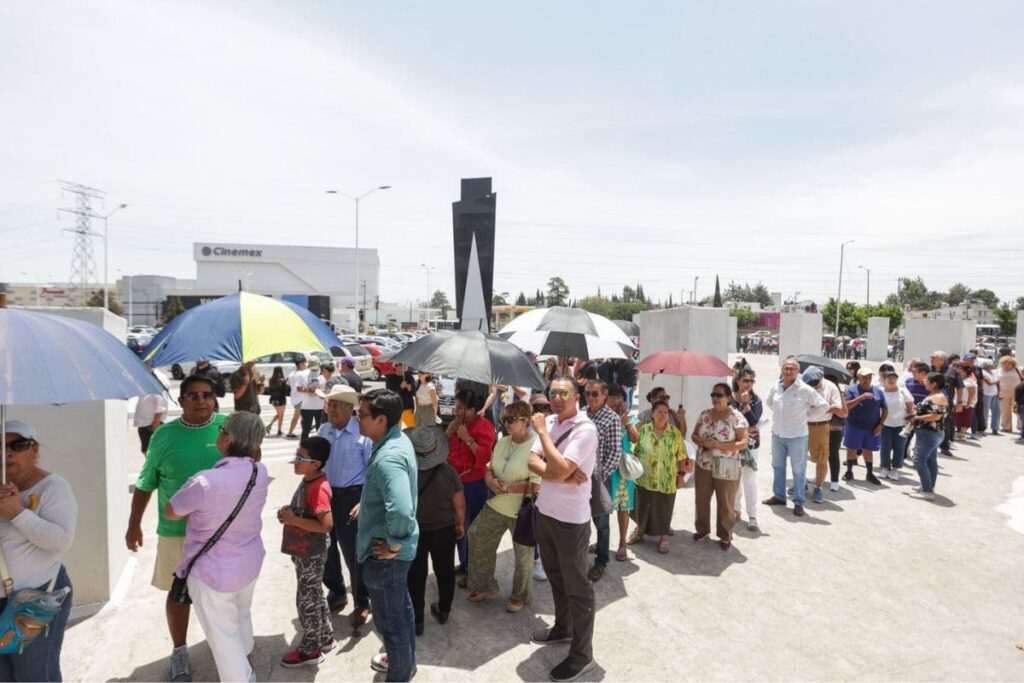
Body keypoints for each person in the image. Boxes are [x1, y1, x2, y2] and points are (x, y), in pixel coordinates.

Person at [127, 375, 225, 682]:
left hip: (221, 532)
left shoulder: (228, 429)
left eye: (206, 395)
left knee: (220, 594)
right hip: (176, 531)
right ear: (180, 401)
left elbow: (248, 471)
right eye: (193, 395)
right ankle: (180, 650)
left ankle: (224, 646)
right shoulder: (163, 435)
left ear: (214, 399)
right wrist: (133, 525)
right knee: (179, 594)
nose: (201, 401)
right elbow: (145, 483)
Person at [165, 412, 270, 683]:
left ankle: (243, 677)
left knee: (224, 642)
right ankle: (249, 667)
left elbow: (172, 511)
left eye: (222, 429)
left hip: (214, 573)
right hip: (249, 563)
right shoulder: (260, 472)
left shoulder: (204, 481)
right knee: (241, 616)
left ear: (228, 438)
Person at [527, 376, 599, 683]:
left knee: (578, 587)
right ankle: (563, 627)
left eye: (563, 393)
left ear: (577, 396)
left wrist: (543, 433)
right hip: (546, 512)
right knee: (556, 577)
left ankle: (582, 655)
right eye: (552, 392)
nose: (556, 398)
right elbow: (532, 461)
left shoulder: (585, 429)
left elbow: (555, 465)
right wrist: (562, 475)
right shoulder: (552, 421)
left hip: (571, 520)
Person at [0, 421, 77, 682]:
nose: (8, 452)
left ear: (34, 449)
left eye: (18, 445)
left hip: (34, 599)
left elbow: (60, 541)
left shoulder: (53, 488)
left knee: (35, 676)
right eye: (2, 445)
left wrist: (17, 512)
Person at [356, 389, 419, 681]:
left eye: (362, 414)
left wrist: (395, 542)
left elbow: (402, 510)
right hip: (393, 557)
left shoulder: (388, 457)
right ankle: (406, 665)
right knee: (402, 612)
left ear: (381, 420)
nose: (357, 418)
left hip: (385, 557)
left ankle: (399, 674)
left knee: (391, 626)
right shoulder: (396, 438)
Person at [467, 402, 539, 612]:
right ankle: (485, 584)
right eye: (503, 419)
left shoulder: (536, 445)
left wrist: (509, 487)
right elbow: (489, 467)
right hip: (497, 503)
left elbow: (536, 484)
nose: (505, 423)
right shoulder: (502, 442)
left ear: (525, 421)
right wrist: (490, 481)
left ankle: (520, 595)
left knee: (523, 554)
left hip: (522, 509)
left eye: (510, 419)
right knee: (476, 534)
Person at [317, 385, 373, 625]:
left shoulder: (363, 435)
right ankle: (337, 591)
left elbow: (372, 472)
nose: (331, 409)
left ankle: (362, 601)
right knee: (326, 548)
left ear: (350, 408)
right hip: (326, 496)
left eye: (337, 405)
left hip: (352, 498)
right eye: (330, 404)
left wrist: (364, 501)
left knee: (354, 553)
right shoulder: (324, 430)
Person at [277, 436, 334, 667]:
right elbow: (305, 513)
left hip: (311, 553)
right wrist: (290, 514)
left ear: (316, 464)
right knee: (314, 594)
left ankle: (311, 650)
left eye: (301, 458)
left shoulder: (318, 488)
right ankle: (325, 636)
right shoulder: (309, 479)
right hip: (304, 553)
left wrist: (293, 520)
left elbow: (326, 524)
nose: (295, 462)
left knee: (306, 600)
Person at [405, 427, 464, 636]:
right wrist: (460, 524)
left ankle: (417, 621)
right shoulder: (449, 472)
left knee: (416, 575)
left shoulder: (407, 472)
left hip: (415, 531)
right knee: (445, 571)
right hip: (444, 530)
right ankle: (444, 609)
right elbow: (459, 504)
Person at [763, 358, 828, 516]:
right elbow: (770, 402)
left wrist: (808, 416)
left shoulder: (805, 389)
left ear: (797, 372)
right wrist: (780, 414)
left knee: (799, 470)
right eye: (786, 368)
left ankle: (799, 501)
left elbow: (823, 406)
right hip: (778, 434)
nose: (789, 371)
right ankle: (779, 495)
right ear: (782, 370)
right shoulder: (776, 387)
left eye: (792, 369)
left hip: (797, 436)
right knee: (777, 466)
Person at [445, 388, 496, 580]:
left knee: (472, 527)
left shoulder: (484, 427)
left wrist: (468, 439)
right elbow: (444, 450)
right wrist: (448, 433)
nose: (456, 412)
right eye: (456, 407)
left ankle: (473, 570)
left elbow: (484, 457)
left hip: (474, 484)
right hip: (454, 483)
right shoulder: (456, 424)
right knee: (459, 524)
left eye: (460, 408)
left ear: (473, 409)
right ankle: (465, 563)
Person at [627, 400, 688, 553]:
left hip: (666, 479)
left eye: (666, 412)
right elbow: (634, 451)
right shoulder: (643, 430)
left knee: (664, 508)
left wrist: (681, 475)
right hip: (644, 478)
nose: (663, 415)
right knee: (642, 507)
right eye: (659, 412)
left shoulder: (675, 433)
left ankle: (663, 537)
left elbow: (681, 456)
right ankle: (640, 533)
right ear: (652, 414)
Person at [691, 384, 747, 550]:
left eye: (719, 395)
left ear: (729, 398)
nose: (715, 398)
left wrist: (720, 445)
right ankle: (702, 529)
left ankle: (725, 534)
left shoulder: (737, 418)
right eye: (713, 394)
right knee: (701, 499)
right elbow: (694, 435)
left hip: (726, 464)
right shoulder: (705, 415)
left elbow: (743, 443)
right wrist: (702, 441)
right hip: (704, 464)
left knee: (726, 501)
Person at [583, 379, 622, 582]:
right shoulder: (581, 413)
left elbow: (615, 453)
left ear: (604, 395)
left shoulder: (612, 418)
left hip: (599, 478)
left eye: (594, 394)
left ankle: (601, 560)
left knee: (601, 522)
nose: (590, 397)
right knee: (579, 520)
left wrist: (599, 478)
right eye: (587, 393)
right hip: (578, 478)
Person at [801, 367, 843, 503]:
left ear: (821, 379)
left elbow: (838, 407)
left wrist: (820, 408)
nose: (813, 387)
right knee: (799, 457)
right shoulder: (803, 385)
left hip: (820, 425)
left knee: (822, 458)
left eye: (816, 384)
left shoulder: (831, 387)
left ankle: (818, 488)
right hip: (802, 425)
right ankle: (801, 483)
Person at [605, 383, 637, 559]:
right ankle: (603, 542)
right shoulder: (600, 416)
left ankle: (622, 543)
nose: (615, 401)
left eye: (619, 397)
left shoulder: (627, 417)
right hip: (604, 468)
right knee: (602, 508)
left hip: (622, 469)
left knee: (623, 507)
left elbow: (635, 438)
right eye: (612, 397)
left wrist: (627, 423)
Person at [731, 369, 763, 531]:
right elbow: (728, 421)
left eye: (751, 381)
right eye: (745, 381)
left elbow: (754, 421)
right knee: (735, 478)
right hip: (733, 445)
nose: (748, 384)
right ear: (738, 381)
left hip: (750, 446)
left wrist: (745, 404)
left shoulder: (756, 401)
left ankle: (752, 515)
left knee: (748, 479)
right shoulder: (729, 399)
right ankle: (736, 509)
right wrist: (746, 429)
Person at [842, 368, 887, 484]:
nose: (866, 379)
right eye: (863, 377)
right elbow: (846, 406)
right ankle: (849, 471)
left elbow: (885, 409)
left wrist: (881, 425)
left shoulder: (878, 391)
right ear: (859, 378)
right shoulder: (852, 390)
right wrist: (861, 397)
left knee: (868, 450)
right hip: (854, 426)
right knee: (851, 449)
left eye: (868, 377)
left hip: (872, 427)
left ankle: (870, 473)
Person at [910, 373, 948, 501]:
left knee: (918, 461)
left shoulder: (939, 397)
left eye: (927, 380)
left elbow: (936, 416)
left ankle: (927, 491)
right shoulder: (934, 395)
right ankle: (928, 486)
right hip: (927, 433)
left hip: (930, 433)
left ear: (934, 383)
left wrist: (918, 417)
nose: (924, 382)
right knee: (931, 461)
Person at [879, 371, 915, 481]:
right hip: (885, 424)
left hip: (901, 425)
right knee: (885, 447)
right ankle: (884, 467)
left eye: (894, 378)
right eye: (889, 378)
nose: (891, 380)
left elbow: (910, 408)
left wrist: (910, 423)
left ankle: (895, 469)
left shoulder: (903, 392)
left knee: (899, 448)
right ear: (883, 380)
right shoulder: (880, 391)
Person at [299, 357, 326, 441]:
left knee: (320, 431)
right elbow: (298, 388)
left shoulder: (323, 374)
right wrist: (309, 391)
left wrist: (318, 390)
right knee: (305, 430)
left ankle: (320, 449)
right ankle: (303, 449)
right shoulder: (303, 374)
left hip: (320, 407)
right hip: (306, 407)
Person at [134, 389, 167, 454]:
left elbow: (162, 403)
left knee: (154, 452)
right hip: (143, 423)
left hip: (152, 424)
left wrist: (156, 421)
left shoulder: (157, 383)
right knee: (146, 451)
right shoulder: (144, 385)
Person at [385, 363, 417, 429]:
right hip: (396, 407)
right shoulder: (390, 378)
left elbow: (414, 393)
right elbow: (390, 394)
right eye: (400, 365)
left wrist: (410, 388)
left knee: (411, 428)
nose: (403, 367)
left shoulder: (409, 377)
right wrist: (400, 387)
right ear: (395, 367)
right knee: (397, 429)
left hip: (407, 407)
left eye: (404, 365)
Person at [997, 356, 1022, 435]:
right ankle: (1006, 427)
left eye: (1009, 364)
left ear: (1013, 364)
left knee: (1018, 410)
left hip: (1017, 393)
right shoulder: (998, 371)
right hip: (1003, 392)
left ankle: (1021, 427)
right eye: (1005, 364)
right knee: (1005, 410)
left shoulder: (1018, 370)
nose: (1007, 365)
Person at [285, 357, 308, 439]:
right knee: (298, 416)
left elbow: (288, 384)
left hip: (294, 398)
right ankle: (290, 432)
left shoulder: (291, 374)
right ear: (301, 364)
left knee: (301, 416)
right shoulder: (301, 374)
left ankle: (303, 431)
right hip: (300, 398)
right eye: (304, 363)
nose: (305, 365)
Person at [954, 363, 977, 442]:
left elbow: (972, 392)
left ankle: (962, 435)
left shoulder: (970, 380)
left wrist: (969, 403)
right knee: (957, 419)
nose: (957, 370)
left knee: (965, 420)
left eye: (959, 369)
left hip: (965, 403)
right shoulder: (959, 379)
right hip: (958, 402)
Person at [265, 366, 289, 436]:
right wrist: (286, 384)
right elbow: (285, 391)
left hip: (273, 400)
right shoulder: (282, 380)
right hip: (281, 399)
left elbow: (270, 390)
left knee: (279, 415)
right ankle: (279, 430)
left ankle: (270, 425)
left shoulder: (271, 380)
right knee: (281, 416)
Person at [980, 359, 1001, 435]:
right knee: (985, 412)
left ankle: (995, 428)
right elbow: (990, 382)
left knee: (997, 412)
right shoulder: (983, 372)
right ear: (987, 366)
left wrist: (999, 392)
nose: (993, 365)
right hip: (986, 394)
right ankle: (983, 428)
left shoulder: (994, 372)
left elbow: (997, 384)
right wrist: (998, 379)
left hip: (994, 394)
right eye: (991, 364)